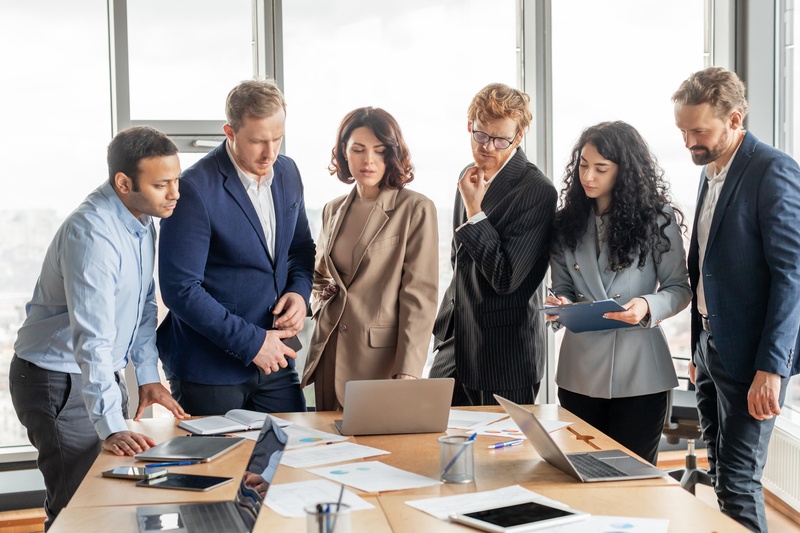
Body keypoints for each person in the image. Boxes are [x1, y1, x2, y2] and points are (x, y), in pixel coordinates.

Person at [9, 126, 187, 528]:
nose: (175, 193)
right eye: (162, 184)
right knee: (82, 507)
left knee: (116, 497)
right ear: (124, 183)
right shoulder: (92, 233)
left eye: (176, 180)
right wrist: (110, 425)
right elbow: (93, 338)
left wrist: (146, 376)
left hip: (94, 376)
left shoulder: (142, 221)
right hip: (56, 379)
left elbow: (143, 307)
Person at [673, 66, 800, 532]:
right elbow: (706, 266)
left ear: (735, 119)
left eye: (699, 131)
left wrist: (773, 367)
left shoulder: (773, 169)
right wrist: (697, 350)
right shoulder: (711, 169)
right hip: (711, 348)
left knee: (741, 481)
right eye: (683, 131)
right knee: (722, 476)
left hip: (753, 360)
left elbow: (792, 275)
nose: (689, 142)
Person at [157, 79, 315, 415]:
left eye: (277, 138)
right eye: (258, 140)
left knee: (292, 459)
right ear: (229, 132)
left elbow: (300, 248)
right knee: (216, 468)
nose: (270, 152)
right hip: (209, 369)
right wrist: (253, 343)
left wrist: (300, 294)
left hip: (276, 360)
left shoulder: (287, 173)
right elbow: (180, 289)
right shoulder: (194, 190)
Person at [545, 121, 692, 465]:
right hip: (579, 372)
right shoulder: (566, 223)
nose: (588, 177)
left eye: (600, 168)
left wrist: (645, 304)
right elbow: (563, 287)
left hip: (641, 373)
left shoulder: (657, 219)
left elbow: (679, 289)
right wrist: (561, 303)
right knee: (581, 473)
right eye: (583, 165)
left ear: (624, 171)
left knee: (634, 479)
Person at [301, 107, 439, 410]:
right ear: (344, 154)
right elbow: (320, 276)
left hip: (381, 363)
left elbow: (420, 295)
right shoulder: (332, 209)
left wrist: (409, 371)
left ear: (393, 154)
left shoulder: (414, 208)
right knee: (330, 452)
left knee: (382, 453)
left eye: (379, 150)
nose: (368, 160)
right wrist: (319, 301)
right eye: (358, 150)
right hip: (329, 353)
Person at [429, 83, 557, 406]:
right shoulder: (467, 175)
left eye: (501, 139)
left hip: (504, 357)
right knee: (436, 448)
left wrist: (475, 213)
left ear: (518, 137)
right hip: (454, 347)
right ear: (470, 126)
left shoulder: (538, 190)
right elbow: (460, 263)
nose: (488, 147)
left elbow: (506, 278)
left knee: (500, 457)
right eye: (481, 135)